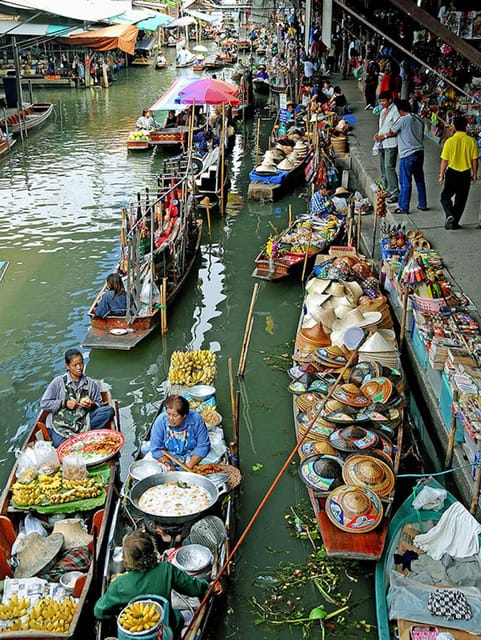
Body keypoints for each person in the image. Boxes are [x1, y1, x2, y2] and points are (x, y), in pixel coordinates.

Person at [94, 530, 221, 638]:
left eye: (125, 555)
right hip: (169, 625)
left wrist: (117, 613)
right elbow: (195, 588)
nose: (123, 557)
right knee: (183, 616)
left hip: (137, 633)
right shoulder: (167, 569)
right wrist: (210, 587)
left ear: (132, 560)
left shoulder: (119, 585)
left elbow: (99, 611)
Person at [40, 349, 115, 447]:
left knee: (109, 411)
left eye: (81, 363)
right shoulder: (58, 382)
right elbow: (44, 404)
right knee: (60, 445)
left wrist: (91, 404)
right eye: (75, 365)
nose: (79, 368)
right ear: (68, 366)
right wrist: (64, 403)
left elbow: (99, 403)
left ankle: (78, 437)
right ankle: (84, 436)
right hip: (61, 423)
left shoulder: (91, 383)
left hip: (83, 420)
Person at [386, 100, 427, 215]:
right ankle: (422, 204)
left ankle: (404, 207)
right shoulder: (419, 119)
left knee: (405, 182)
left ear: (400, 110)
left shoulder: (403, 119)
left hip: (407, 154)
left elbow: (391, 132)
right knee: (419, 179)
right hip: (419, 152)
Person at [439, 115, 479, 230]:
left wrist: (441, 175)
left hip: (452, 173)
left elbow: (444, 160)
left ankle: (449, 214)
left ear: (454, 127)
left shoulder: (449, 141)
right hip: (465, 174)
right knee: (461, 201)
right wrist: (474, 175)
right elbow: (474, 160)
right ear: (466, 126)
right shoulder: (472, 141)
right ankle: (455, 223)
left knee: (445, 197)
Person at [150, 395, 211, 469]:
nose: (171, 419)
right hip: (169, 455)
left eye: (175, 415)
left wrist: (188, 467)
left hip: (191, 453)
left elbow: (203, 446)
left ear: (184, 415)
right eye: (168, 414)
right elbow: (156, 449)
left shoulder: (196, 419)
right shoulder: (160, 421)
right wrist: (172, 468)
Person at [373, 90, 400, 203]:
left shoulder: (395, 111)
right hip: (382, 143)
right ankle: (387, 189)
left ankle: (395, 192)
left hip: (391, 143)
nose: (382, 103)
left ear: (390, 100)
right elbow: (383, 126)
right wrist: (378, 134)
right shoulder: (383, 111)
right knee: (383, 167)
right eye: (380, 101)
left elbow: (396, 129)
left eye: (384, 101)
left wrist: (383, 136)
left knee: (389, 167)